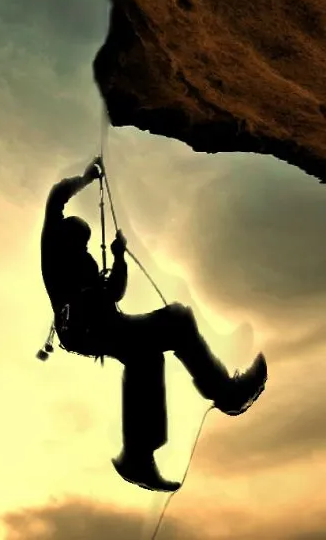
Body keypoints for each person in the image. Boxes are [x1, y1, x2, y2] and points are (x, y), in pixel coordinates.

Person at [41, 157, 268, 493]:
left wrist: (118, 258)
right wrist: (88, 178)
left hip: (105, 328)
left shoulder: (85, 261)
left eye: (84, 240)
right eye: (79, 238)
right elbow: (58, 194)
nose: (82, 244)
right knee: (167, 329)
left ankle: (140, 456)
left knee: (151, 350)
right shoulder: (52, 245)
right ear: (66, 234)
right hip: (86, 331)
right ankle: (224, 396)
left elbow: (114, 292)